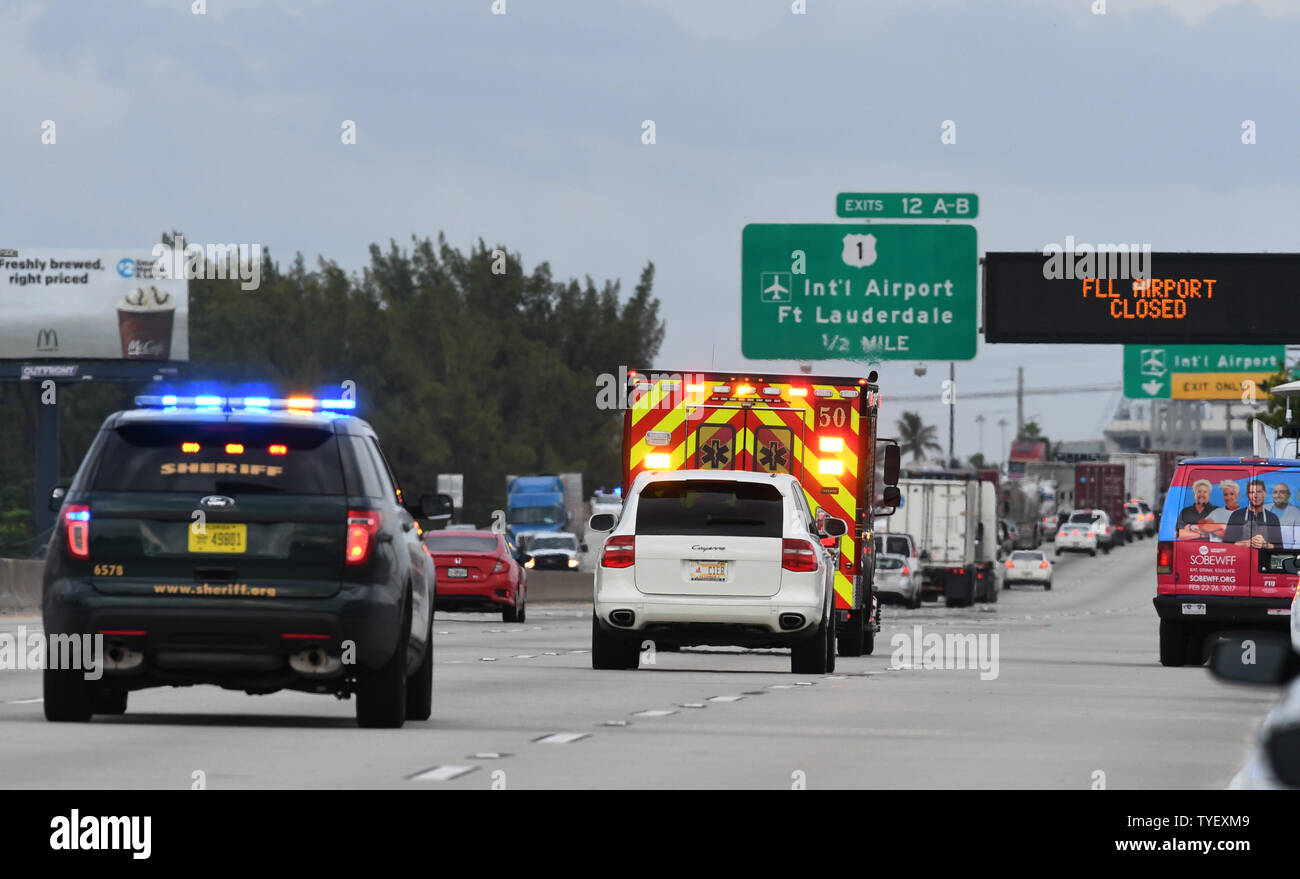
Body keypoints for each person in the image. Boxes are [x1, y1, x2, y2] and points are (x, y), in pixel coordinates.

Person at [1224, 479, 1283, 549]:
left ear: (1265, 493)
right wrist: (1247, 543)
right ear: (1247, 495)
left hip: (1264, 559)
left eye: (1259, 492)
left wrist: (1265, 545)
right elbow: (1227, 545)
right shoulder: (1237, 515)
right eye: (1252, 492)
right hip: (1242, 558)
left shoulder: (1272, 518)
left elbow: (1279, 547)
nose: (1255, 496)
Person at [1266, 482, 1300, 549]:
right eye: (1275, 492)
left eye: (1282, 492)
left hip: (1285, 554)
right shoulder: (1264, 508)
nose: (1278, 495)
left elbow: (1298, 543)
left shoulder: (1297, 512)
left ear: (1288, 495)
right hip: (1263, 552)